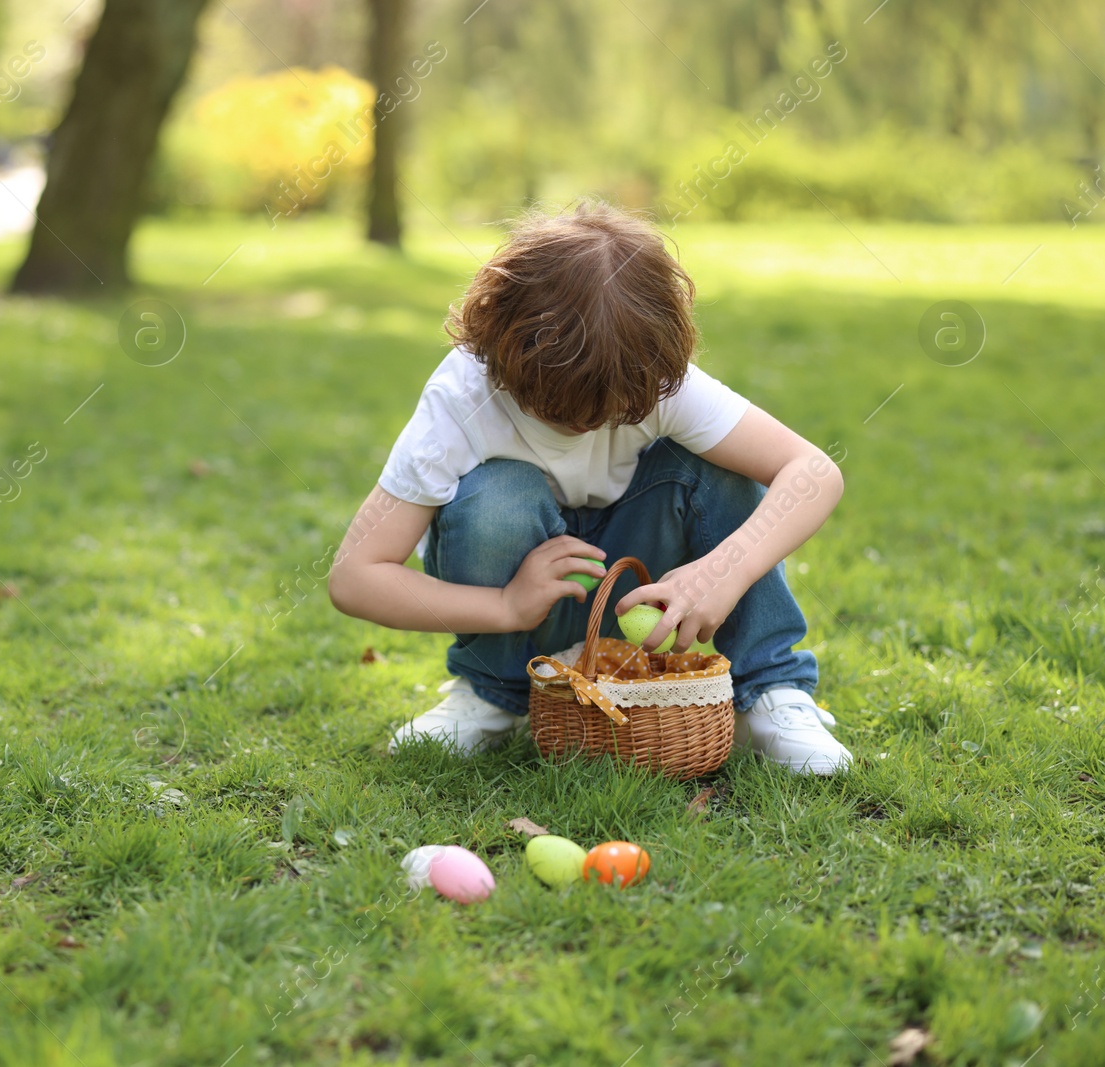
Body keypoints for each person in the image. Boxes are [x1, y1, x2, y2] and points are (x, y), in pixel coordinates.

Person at [325, 201, 851, 775]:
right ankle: (494, 693)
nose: (585, 427)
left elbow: (813, 472)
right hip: (531, 603)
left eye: (613, 413)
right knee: (495, 495)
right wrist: (504, 605)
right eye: (556, 410)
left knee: (719, 463)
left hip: (635, 584)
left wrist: (723, 569)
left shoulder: (647, 374)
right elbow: (356, 577)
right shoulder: (461, 397)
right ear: (502, 351)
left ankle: (768, 692)